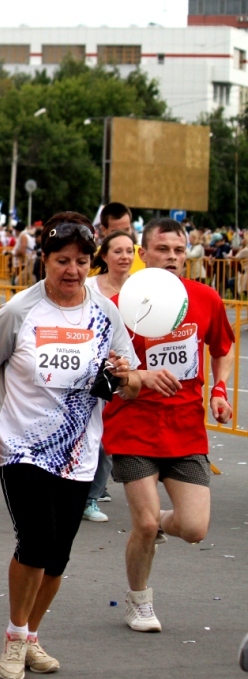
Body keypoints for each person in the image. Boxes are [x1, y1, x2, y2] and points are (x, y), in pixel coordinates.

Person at [0, 214, 140, 679]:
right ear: (43, 261)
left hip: (80, 452)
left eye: (82, 261)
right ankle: (13, 637)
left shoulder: (105, 314)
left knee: (59, 555)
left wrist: (126, 379)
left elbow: (129, 385)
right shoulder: (19, 312)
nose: (72, 270)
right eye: (61, 260)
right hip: (22, 447)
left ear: (93, 262)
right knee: (36, 544)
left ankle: (29, 638)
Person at [102, 217, 234, 634]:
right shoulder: (122, 304)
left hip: (185, 428)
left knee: (194, 528)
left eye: (179, 250)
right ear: (144, 254)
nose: (173, 258)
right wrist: (138, 378)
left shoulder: (205, 298)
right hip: (133, 424)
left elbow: (223, 348)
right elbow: (108, 373)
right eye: (163, 250)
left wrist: (220, 389)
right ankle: (139, 601)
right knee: (142, 522)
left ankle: (158, 523)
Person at [81, 229, 136, 524]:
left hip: (119, 375)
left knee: (106, 439)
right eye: (118, 251)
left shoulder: (141, 291)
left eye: (129, 251)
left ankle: (91, 497)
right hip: (83, 373)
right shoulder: (88, 286)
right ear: (104, 256)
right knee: (85, 434)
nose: (125, 257)